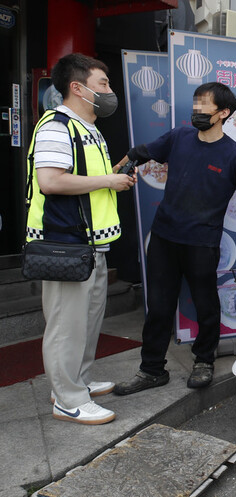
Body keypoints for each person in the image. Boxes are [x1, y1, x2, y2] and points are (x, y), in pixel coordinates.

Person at [113, 82, 236, 395]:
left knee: (205, 303)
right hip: (165, 237)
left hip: (202, 242)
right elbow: (143, 152)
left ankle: (204, 360)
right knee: (158, 305)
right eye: (196, 104)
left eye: (204, 105)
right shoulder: (179, 136)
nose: (196, 110)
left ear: (223, 113)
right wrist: (115, 170)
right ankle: (152, 369)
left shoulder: (235, 155)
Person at [27, 53, 135, 425]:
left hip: (92, 243)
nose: (109, 91)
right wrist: (108, 180)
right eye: (102, 84)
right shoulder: (57, 126)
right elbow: (51, 181)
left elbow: (86, 183)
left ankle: (78, 382)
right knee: (66, 326)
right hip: (66, 243)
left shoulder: (87, 128)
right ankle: (67, 398)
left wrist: (115, 175)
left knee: (87, 323)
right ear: (77, 87)